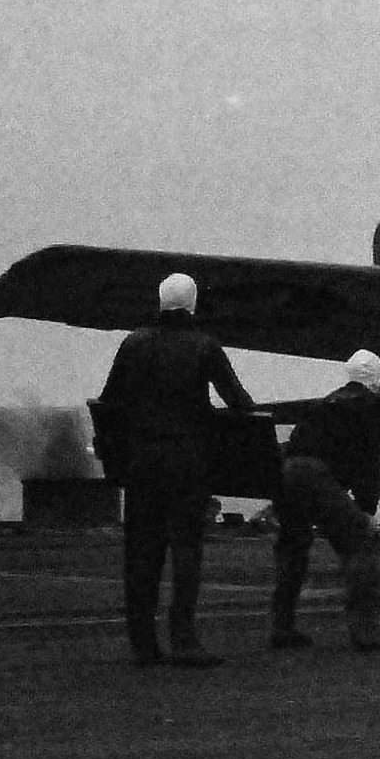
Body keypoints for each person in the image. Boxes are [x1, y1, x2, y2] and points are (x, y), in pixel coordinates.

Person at [97, 272, 254, 667]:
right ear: (193, 304)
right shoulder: (205, 345)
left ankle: (143, 643)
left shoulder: (133, 343)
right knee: (186, 550)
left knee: (142, 551)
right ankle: (183, 639)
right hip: (187, 461)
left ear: (160, 301)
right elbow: (239, 401)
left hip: (142, 461)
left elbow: (110, 401)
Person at [270, 350, 380, 652]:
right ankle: (367, 629)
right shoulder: (371, 406)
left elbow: (297, 444)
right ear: (377, 378)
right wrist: (367, 510)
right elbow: (367, 462)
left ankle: (282, 627)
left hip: (288, 471)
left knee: (294, 546)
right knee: (361, 541)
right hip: (315, 474)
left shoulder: (325, 403)